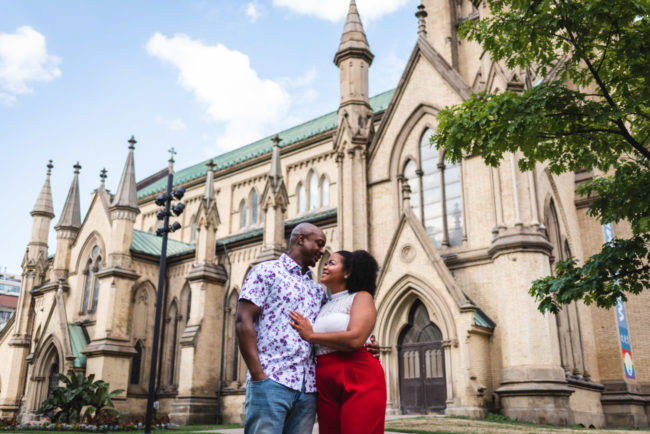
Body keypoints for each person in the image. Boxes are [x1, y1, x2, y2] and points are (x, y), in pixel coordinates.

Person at [236, 223, 380, 434]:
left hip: (308, 389)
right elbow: (243, 321)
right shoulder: (265, 271)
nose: (322, 252)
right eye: (319, 244)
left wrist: (366, 344)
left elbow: (332, 328)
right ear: (301, 239)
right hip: (272, 380)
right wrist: (258, 375)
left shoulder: (317, 290)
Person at [289, 250, 386, 434]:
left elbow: (356, 338)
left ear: (347, 272)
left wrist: (311, 335)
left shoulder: (361, 297)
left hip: (357, 374)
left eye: (331, 263)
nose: (324, 266)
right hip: (325, 378)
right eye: (326, 263)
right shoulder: (324, 304)